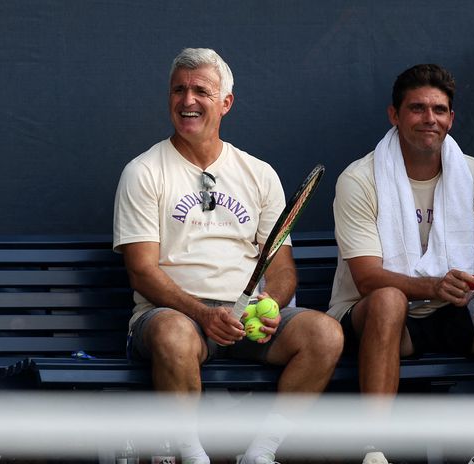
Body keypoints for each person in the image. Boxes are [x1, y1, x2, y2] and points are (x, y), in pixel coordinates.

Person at [113, 47, 344, 464]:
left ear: (226, 103)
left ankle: (260, 452)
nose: (187, 101)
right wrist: (204, 315)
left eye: (200, 90)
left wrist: (271, 303)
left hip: (247, 317)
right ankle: (193, 456)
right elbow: (142, 272)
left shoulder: (258, 173)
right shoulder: (143, 172)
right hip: (175, 316)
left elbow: (283, 267)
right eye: (178, 90)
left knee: (325, 334)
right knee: (173, 334)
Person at [329, 64, 474, 463]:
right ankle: (374, 451)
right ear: (394, 115)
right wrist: (434, 286)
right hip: (380, 322)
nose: (429, 119)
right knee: (387, 300)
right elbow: (366, 280)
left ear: (451, 117)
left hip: (455, 314)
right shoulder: (359, 179)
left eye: (439, 109)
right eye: (417, 108)